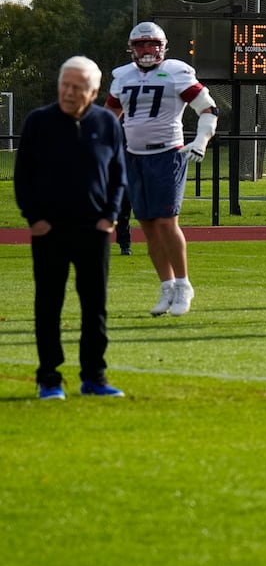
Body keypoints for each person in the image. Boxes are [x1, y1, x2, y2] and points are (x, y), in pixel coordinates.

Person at [15, 57, 127, 399]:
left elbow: (118, 176)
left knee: (95, 306)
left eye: (77, 87)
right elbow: (23, 177)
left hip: (93, 231)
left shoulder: (107, 123)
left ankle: (94, 376)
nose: (68, 92)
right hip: (49, 232)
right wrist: (35, 219)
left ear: (93, 92)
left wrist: (110, 216)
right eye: (65, 84)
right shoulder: (39, 122)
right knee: (48, 305)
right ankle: (48, 379)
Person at [104, 21, 219, 318]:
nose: (147, 49)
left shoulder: (177, 71)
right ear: (131, 48)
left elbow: (208, 108)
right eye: (141, 44)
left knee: (167, 222)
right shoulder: (121, 76)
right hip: (134, 156)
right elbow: (108, 117)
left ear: (163, 46)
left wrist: (201, 140)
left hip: (168, 154)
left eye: (152, 43)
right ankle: (166, 286)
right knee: (148, 226)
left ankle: (183, 285)